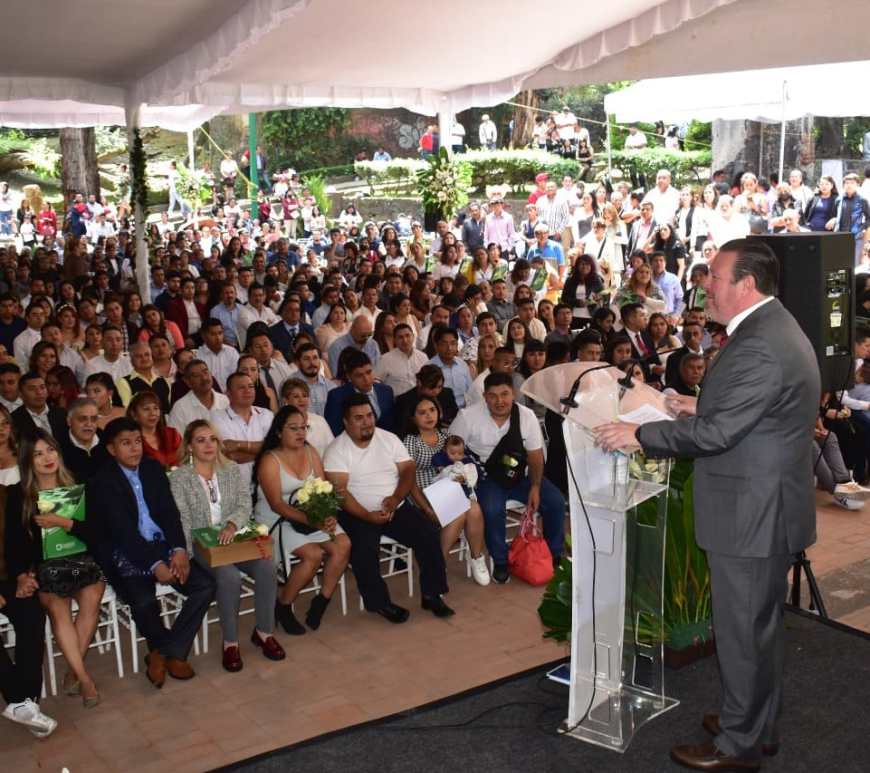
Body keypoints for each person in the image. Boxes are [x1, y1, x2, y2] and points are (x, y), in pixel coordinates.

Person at [595, 239, 820, 770]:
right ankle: (756, 724)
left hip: (750, 515)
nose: (704, 286)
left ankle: (739, 745)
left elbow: (718, 435)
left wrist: (639, 435)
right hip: (765, 505)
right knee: (758, 629)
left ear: (747, 284)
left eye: (715, 277)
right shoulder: (772, 327)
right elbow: (757, 410)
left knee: (742, 633)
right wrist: (695, 404)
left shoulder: (759, 344)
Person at [87, 417, 217, 688]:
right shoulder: (102, 481)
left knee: (204, 585)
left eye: (137, 441)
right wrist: (156, 564)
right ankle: (168, 651)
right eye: (126, 443)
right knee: (144, 601)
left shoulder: (152, 468)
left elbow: (170, 513)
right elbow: (123, 532)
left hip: (161, 543)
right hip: (124, 551)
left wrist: (179, 550)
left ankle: (165, 652)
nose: (135, 448)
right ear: (111, 449)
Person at [324, 394, 453, 621]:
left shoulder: (388, 438)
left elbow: (408, 470)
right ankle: (380, 604)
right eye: (359, 418)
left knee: (429, 533)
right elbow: (340, 493)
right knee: (363, 549)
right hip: (357, 512)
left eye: (369, 415)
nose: (367, 422)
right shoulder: (337, 449)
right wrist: (368, 516)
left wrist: (396, 498)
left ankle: (432, 594)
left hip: (395, 506)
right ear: (346, 422)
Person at [170, 420, 284, 671]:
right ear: (189, 446)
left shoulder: (230, 468)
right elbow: (182, 519)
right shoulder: (179, 478)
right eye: (201, 440)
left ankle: (264, 632)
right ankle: (230, 642)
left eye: (212, 439)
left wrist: (232, 525)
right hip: (201, 544)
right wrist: (189, 551)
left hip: (234, 538)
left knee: (267, 564)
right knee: (228, 576)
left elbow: (244, 503)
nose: (208, 445)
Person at [5, 431, 105, 707]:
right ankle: (84, 680)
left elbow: (98, 532)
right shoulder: (19, 495)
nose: (47, 458)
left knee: (91, 598)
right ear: (28, 461)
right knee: (60, 610)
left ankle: (73, 672)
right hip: (45, 568)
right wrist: (21, 574)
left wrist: (64, 523)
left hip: (82, 561)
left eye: (50, 450)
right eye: (38, 454)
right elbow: (13, 545)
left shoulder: (78, 483)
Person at [449, 373, 565, 584]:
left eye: (505, 394)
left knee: (556, 501)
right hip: (488, 477)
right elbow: (451, 450)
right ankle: (501, 561)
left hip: (522, 474)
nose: (499, 401)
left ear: (514, 394)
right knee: (492, 510)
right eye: (493, 396)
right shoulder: (467, 417)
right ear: (484, 396)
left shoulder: (527, 416)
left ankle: (554, 554)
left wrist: (535, 486)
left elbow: (535, 455)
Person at [254, 406, 351, 634]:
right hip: (277, 518)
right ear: (279, 432)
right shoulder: (270, 460)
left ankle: (322, 600)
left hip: (311, 514)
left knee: (343, 544)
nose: (300, 433)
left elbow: (323, 490)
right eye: (293, 428)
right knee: (313, 554)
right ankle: (284, 605)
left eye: (303, 428)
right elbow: (277, 504)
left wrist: (328, 515)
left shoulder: (310, 452)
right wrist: (313, 521)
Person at [402, 395, 490, 585]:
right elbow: (407, 481)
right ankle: (437, 563)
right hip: (421, 493)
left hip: (448, 489)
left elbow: (461, 463)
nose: (429, 416)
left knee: (474, 508)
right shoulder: (411, 441)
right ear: (413, 418)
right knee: (459, 512)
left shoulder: (445, 437)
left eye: (432, 410)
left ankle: (476, 558)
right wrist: (426, 508)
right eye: (422, 412)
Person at [1, 482, 57, 736]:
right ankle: (20, 702)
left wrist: (26, 574)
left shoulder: (8, 495)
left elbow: (25, 542)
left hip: (11, 578)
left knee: (32, 613)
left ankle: (27, 703)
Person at [210, 372, 273, 489]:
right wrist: (266, 452)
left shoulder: (266, 414)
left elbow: (276, 447)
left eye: (251, 386)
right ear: (228, 393)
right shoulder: (217, 417)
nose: (247, 391)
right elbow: (231, 456)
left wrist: (238, 445)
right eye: (241, 387)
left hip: (266, 487)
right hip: (234, 489)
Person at [324, 350, 395, 436]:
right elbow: (335, 431)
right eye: (359, 375)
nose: (366, 379)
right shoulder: (336, 397)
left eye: (369, 372)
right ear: (349, 377)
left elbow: (392, 424)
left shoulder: (386, 391)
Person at [168, 359, 230, 433]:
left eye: (205, 372)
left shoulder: (225, 400)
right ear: (188, 382)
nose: (204, 378)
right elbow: (175, 438)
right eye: (196, 376)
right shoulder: (180, 408)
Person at [280, 378, 335, 457]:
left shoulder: (320, 420)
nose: (301, 400)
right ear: (286, 400)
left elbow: (332, 448)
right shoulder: (281, 423)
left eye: (305, 396)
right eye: (296, 396)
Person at [128, 390, 181, 469]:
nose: (152, 413)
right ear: (134, 414)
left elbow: (186, 459)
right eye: (146, 409)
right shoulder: (131, 440)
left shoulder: (172, 434)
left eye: (156, 408)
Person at [373, 322, 428, 397]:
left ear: (413, 336)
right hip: (396, 401)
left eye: (407, 336)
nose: (405, 340)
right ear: (395, 340)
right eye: (400, 337)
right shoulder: (385, 359)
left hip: (421, 400)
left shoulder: (423, 357)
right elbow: (376, 381)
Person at [60, 397, 107, 483]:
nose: (89, 424)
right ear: (69, 421)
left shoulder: (107, 440)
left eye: (93, 419)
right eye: (82, 419)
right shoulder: (57, 447)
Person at [11, 371, 68, 440]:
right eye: (32, 389)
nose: (39, 392)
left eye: (42, 387)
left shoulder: (62, 414)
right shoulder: (14, 420)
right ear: (21, 394)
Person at [196, 318, 239, 392]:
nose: (218, 338)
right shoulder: (197, 356)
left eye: (220, 333)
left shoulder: (232, 352)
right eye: (213, 334)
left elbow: (237, 377)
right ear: (203, 336)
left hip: (232, 394)